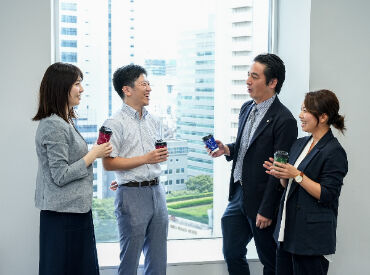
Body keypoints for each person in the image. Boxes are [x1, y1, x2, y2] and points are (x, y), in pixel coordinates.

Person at [209, 53, 298, 275]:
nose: (248, 81)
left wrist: (267, 209)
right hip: (238, 192)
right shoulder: (246, 108)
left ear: (272, 82)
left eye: (255, 77)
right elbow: (248, 147)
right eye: (248, 75)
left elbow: (279, 171)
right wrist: (228, 148)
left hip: (261, 201)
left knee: (270, 259)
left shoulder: (284, 120)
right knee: (231, 253)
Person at [33, 62, 112, 275]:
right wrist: (92, 155)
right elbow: (60, 175)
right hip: (63, 217)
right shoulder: (53, 125)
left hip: (74, 213)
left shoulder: (64, 121)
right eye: (77, 83)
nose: (82, 89)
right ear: (61, 87)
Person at [263, 89, 348, 275]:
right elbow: (290, 187)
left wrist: (296, 174)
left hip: (310, 238)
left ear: (323, 117)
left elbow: (327, 194)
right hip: (286, 232)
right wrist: (283, 175)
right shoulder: (300, 143)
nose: (300, 115)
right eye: (301, 109)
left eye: (306, 111)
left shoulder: (334, 151)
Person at [102, 64, 169, 275]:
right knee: (130, 261)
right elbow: (108, 163)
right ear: (127, 89)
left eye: (149, 83)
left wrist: (154, 159)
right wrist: (145, 159)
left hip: (157, 192)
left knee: (158, 260)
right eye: (143, 84)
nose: (148, 88)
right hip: (131, 195)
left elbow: (155, 156)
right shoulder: (113, 123)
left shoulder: (155, 121)